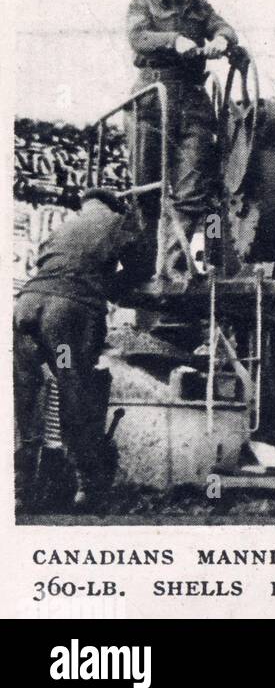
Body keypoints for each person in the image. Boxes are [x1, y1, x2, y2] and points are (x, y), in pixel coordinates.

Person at [13, 189, 145, 509]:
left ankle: (21, 491)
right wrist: (109, 291)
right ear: (116, 205)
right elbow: (142, 266)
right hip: (65, 315)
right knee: (75, 391)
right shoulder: (117, 221)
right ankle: (87, 488)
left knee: (26, 399)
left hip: (26, 309)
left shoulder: (64, 226)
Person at [126, 0, 238, 269]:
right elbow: (138, 37)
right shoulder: (143, 4)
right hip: (151, 100)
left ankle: (172, 266)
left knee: (191, 192)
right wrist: (174, 40)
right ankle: (143, 267)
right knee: (146, 191)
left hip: (193, 103)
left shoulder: (200, 8)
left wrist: (221, 40)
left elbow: (223, 27)